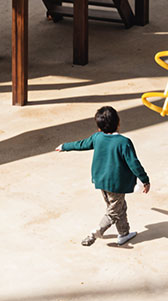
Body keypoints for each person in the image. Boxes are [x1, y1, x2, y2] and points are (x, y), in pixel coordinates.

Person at [55, 106, 150, 247]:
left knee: (119, 207)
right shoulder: (124, 142)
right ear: (118, 123)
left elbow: (81, 144)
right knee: (113, 212)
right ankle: (96, 232)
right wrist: (145, 180)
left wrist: (64, 146)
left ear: (99, 127)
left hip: (101, 181)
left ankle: (123, 234)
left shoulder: (97, 137)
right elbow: (134, 164)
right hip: (116, 184)